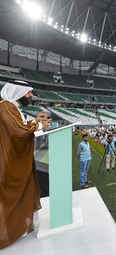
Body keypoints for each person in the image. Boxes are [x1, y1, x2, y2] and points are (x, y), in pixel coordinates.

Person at [0, 82, 51, 249]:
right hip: (10, 164)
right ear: (18, 92)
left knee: (23, 193)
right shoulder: (6, 107)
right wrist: (38, 124)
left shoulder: (12, 107)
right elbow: (18, 131)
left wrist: (36, 121)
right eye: (28, 92)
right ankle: (13, 231)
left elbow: (19, 128)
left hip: (15, 161)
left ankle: (23, 227)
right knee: (12, 197)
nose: (31, 95)